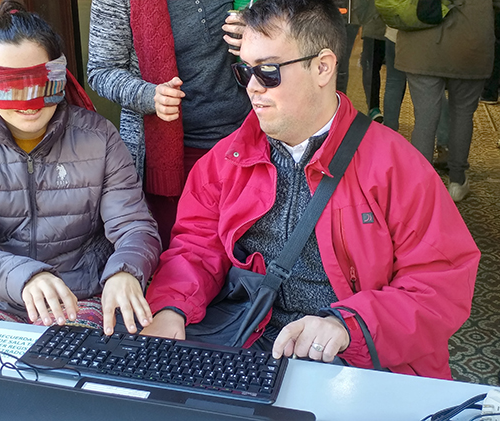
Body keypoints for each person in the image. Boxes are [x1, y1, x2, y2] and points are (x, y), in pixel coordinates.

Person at [141, 0, 480, 380]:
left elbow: (440, 283)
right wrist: (171, 307)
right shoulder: (225, 160)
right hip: (248, 340)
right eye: (245, 71)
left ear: (322, 67)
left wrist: (348, 326)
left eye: (268, 71)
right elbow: (196, 247)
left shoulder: (397, 167)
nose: (252, 87)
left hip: (355, 356)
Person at [0, 0, 161, 335]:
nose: (28, 101)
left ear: (60, 75)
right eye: (9, 84)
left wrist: (125, 271)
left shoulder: (99, 138)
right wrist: (26, 277)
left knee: (73, 366)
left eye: (40, 82)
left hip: (81, 292)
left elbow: (134, 226)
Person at [87, 0, 252, 248]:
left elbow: (284, 29)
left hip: (246, 141)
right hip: (172, 156)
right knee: (184, 255)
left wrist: (256, 33)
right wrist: (149, 95)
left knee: (247, 252)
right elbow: (101, 70)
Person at [395, 0, 498, 202]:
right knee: (463, 114)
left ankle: (420, 184)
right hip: (470, 39)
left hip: (421, 43)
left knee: (424, 119)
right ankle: (457, 181)